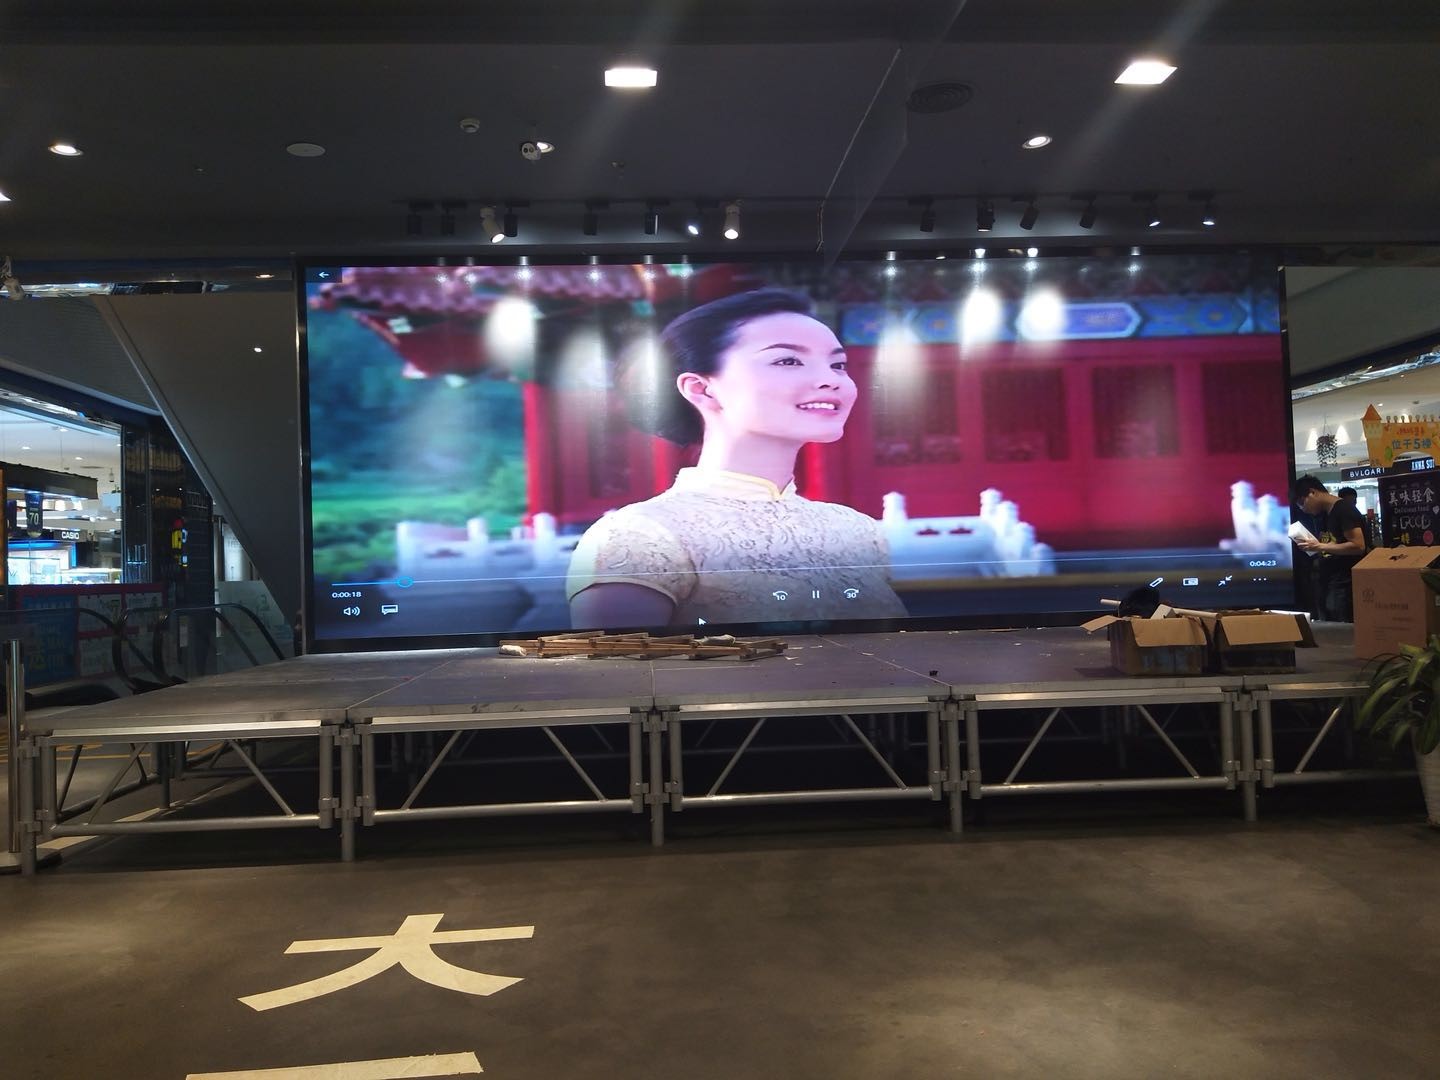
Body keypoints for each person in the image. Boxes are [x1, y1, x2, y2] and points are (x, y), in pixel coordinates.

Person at [566, 288, 907, 627]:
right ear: (701, 389)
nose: (831, 380)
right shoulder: (639, 535)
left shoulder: (858, 530)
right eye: (788, 360)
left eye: (838, 364)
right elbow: (623, 662)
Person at [1292, 475, 1370, 621]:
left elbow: (1358, 545)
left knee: (1341, 623)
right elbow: (1333, 543)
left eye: (1302, 503)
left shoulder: (1344, 510)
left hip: (1344, 582)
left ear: (1312, 492)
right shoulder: (1325, 514)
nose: (1303, 509)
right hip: (1330, 580)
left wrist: (1320, 546)